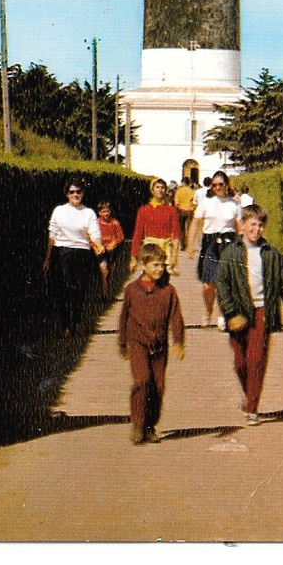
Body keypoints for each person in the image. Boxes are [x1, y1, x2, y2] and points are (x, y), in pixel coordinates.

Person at [217, 203, 283, 426]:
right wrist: (231, 313)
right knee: (240, 361)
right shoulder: (230, 253)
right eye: (252, 224)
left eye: (260, 225)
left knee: (256, 360)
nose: (256, 229)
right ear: (241, 226)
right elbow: (222, 286)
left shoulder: (272, 255)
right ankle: (248, 393)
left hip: (262, 312)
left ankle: (252, 407)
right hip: (239, 312)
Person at [119, 243, 185, 444]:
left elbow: (176, 317)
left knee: (158, 386)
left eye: (162, 265)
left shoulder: (168, 291)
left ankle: (150, 426)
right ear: (143, 265)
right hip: (138, 342)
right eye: (155, 265)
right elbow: (124, 318)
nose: (160, 269)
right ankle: (138, 423)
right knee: (142, 381)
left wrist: (178, 341)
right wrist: (123, 343)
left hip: (160, 346)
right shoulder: (132, 290)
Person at [43, 178, 108, 335]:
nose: (75, 195)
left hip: (82, 253)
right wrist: (47, 259)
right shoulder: (59, 211)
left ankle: (76, 322)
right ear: (67, 194)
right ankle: (65, 325)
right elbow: (52, 236)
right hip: (61, 252)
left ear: (83, 193)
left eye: (78, 192)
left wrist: (102, 259)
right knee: (63, 290)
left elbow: (95, 237)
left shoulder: (89, 213)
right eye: (72, 192)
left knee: (79, 290)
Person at [187, 170, 240, 325]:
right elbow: (195, 223)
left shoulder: (234, 204)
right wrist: (190, 244)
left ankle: (223, 315)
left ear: (226, 185)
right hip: (210, 243)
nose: (217, 187)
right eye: (214, 185)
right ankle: (208, 310)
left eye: (220, 184)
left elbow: (239, 226)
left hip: (228, 243)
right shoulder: (206, 203)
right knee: (207, 284)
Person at [130, 177, 180, 275]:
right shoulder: (144, 210)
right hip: (149, 251)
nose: (160, 190)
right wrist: (133, 258)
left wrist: (174, 256)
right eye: (157, 187)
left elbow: (176, 235)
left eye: (162, 187)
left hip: (164, 252)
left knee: (162, 283)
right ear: (152, 190)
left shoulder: (171, 211)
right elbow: (138, 234)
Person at [97, 200, 125, 293]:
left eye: (107, 211)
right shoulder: (96, 223)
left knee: (111, 272)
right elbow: (92, 236)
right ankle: (104, 294)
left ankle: (110, 292)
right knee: (104, 270)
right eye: (104, 211)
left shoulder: (114, 222)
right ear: (99, 212)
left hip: (113, 250)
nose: (106, 214)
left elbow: (121, 236)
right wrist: (98, 245)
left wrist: (114, 243)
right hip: (101, 250)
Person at [173, 176, 197, 250]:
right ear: (189, 183)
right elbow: (195, 203)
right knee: (189, 228)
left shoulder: (179, 191)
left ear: (183, 182)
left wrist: (180, 208)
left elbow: (176, 203)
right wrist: (192, 208)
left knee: (182, 229)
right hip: (190, 211)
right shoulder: (192, 192)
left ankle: (183, 245)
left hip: (181, 211)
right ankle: (189, 244)